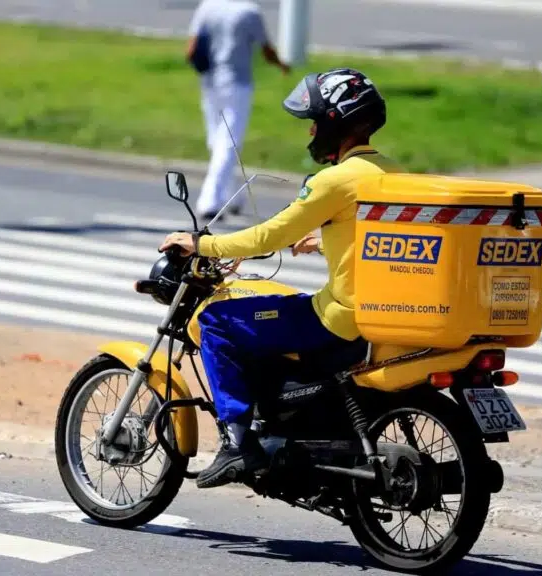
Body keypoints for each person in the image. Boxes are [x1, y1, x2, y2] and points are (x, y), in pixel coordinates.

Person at [159, 68, 404, 488]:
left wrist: (201, 245)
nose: (309, 131)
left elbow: (271, 234)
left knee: (219, 323)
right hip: (384, 314)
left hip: (339, 318)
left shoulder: (335, 181)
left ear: (335, 122)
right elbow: (383, 244)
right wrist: (327, 243)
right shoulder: (397, 175)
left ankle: (237, 442)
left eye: (314, 121)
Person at [186, 0, 290, 223]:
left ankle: (231, 197)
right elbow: (267, 49)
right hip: (237, 83)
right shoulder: (249, 12)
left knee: (217, 140)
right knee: (229, 142)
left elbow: (192, 48)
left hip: (209, 82)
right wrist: (281, 64)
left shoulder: (207, 7)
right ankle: (210, 201)